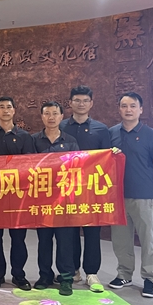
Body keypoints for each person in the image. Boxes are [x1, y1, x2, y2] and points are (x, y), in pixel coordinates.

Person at [108, 92, 153, 298]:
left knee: (148, 240)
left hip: (144, 197)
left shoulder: (150, 134)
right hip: (117, 197)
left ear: (141, 109)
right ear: (119, 109)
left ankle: (150, 279)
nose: (128, 110)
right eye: (124, 106)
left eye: (133, 106)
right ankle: (124, 274)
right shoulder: (111, 133)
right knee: (121, 240)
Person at [59, 85, 111, 293]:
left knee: (92, 231)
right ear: (70, 103)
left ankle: (92, 272)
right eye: (77, 100)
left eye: (85, 101)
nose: (81, 104)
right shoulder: (61, 126)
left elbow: (107, 159)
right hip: (68, 189)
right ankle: (73, 270)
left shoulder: (101, 129)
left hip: (92, 189)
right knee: (69, 232)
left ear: (91, 104)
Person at [0, 96, 35, 290]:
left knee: (18, 238)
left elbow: (29, 164)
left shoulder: (25, 137)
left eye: (9, 107)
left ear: (14, 110)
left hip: (18, 195)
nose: (5, 110)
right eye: (1, 107)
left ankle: (19, 274)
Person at [31, 101, 80, 296]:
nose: (51, 117)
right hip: (42, 200)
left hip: (64, 200)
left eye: (54, 113)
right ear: (41, 117)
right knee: (44, 241)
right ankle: (44, 275)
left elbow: (77, 169)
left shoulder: (70, 141)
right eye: (47, 113)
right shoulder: (34, 141)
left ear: (61, 116)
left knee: (65, 241)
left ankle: (66, 278)